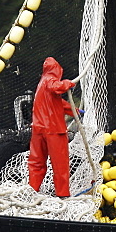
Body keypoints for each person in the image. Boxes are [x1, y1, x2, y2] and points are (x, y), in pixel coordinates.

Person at [28, 57, 76, 197]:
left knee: (36, 162)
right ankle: (63, 194)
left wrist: (75, 110)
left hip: (38, 129)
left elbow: (56, 102)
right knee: (60, 164)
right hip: (53, 130)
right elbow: (55, 87)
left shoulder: (41, 83)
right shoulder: (50, 80)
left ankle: (32, 190)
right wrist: (67, 83)